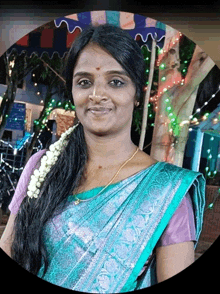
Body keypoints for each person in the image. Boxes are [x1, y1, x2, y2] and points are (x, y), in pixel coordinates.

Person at [0, 24, 206, 293]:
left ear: (137, 94)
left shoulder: (167, 192)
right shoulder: (42, 165)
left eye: (116, 82)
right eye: (84, 82)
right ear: (72, 91)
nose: (97, 95)